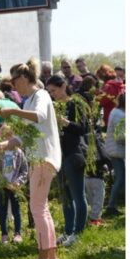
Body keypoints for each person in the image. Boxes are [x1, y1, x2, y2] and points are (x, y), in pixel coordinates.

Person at [0, 58, 61, 259]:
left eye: (14, 82)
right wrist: (4, 144)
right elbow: (24, 137)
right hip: (37, 158)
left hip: (44, 158)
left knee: (37, 208)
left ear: (24, 78)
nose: (13, 86)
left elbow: (40, 116)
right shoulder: (28, 100)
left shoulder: (40, 95)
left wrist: (13, 112)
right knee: (41, 208)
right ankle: (50, 258)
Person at [46, 75, 89, 247]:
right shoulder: (55, 106)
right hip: (60, 155)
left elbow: (82, 128)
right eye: (50, 92)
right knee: (66, 197)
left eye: (54, 91)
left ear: (63, 86)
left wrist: (65, 122)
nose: (53, 95)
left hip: (74, 154)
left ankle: (78, 233)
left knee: (78, 195)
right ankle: (68, 231)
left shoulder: (75, 104)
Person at [0, 125, 28, 244]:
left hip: (15, 186)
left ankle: (17, 233)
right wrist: (2, 182)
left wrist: (18, 182)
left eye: (9, 135)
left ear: (13, 137)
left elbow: (24, 170)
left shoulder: (19, 152)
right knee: (3, 211)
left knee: (16, 210)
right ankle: (4, 234)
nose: (6, 139)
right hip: (3, 186)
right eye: (3, 136)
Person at [104, 93, 125, 216]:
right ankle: (111, 206)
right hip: (117, 151)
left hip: (117, 150)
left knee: (121, 178)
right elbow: (120, 136)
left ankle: (113, 205)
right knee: (120, 179)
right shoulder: (120, 115)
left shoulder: (116, 112)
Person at [95, 64, 125, 128]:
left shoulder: (108, 86)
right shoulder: (120, 84)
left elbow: (102, 101)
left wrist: (97, 95)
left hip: (111, 116)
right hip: (122, 115)